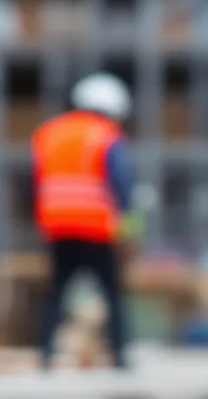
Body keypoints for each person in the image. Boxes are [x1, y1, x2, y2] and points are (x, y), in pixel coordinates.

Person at [31, 73, 135, 371]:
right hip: (95, 227)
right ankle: (119, 356)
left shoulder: (49, 132)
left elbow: (36, 179)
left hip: (57, 226)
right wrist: (127, 219)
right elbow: (121, 182)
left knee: (55, 293)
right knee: (112, 294)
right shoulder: (105, 134)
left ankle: (45, 355)